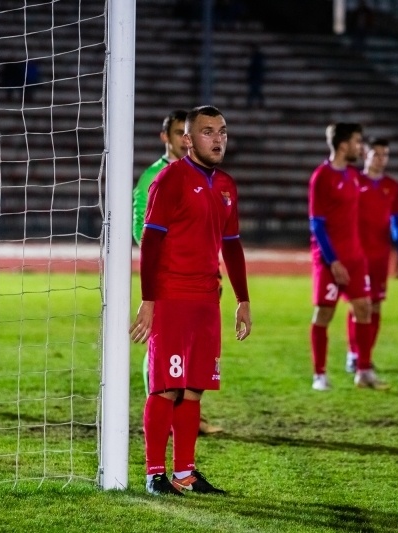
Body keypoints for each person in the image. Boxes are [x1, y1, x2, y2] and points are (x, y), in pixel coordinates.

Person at [130, 105, 252, 496]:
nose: (217, 139)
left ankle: (185, 472)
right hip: (172, 297)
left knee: (195, 386)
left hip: (206, 299)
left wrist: (243, 298)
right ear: (186, 139)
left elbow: (232, 246)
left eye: (222, 132)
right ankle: (154, 473)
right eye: (207, 132)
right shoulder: (170, 180)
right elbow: (150, 243)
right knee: (167, 386)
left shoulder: (226, 185)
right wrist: (148, 300)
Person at [132, 110, 223, 436]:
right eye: (175, 133)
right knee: (161, 355)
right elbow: (143, 233)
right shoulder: (154, 178)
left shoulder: (202, 176)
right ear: (170, 138)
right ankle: (163, 415)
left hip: (197, 284)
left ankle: (185, 421)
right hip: (167, 280)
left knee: (190, 357)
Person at [308, 123, 386, 391]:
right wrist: (334, 261)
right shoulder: (321, 177)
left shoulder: (354, 175)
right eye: (356, 141)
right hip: (329, 260)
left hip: (355, 257)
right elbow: (317, 224)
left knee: (364, 307)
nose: (360, 146)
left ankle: (363, 371)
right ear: (343, 145)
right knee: (324, 313)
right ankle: (319, 375)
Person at [345, 138, 398, 373]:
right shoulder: (354, 180)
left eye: (385, 155)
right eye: (377, 154)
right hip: (356, 256)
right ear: (365, 155)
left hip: (380, 256)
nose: (381, 159)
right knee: (359, 305)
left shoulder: (392, 186)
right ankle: (354, 354)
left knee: (376, 306)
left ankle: (366, 356)